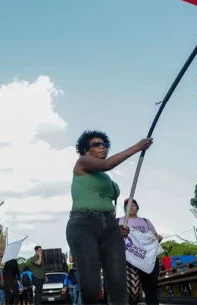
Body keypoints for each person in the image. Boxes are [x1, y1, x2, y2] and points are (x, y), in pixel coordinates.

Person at [66, 129, 152, 305]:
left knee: (119, 285)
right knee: (91, 287)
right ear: (85, 150)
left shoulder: (107, 180)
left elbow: (110, 205)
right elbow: (107, 165)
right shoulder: (81, 163)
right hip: (83, 225)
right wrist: (137, 147)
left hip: (111, 229)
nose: (103, 148)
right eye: (96, 145)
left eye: (104, 145)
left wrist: (116, 226)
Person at [121, 199, 161, 305]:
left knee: (151, 289)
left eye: (133, 205)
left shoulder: (145, 221)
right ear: (125, 209)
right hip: (129, 261)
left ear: (137, 208)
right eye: (128, 206)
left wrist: (158, 238)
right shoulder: (119, 221)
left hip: (148, 259)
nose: (131, 207)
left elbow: (154, 236)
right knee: (132, 292)